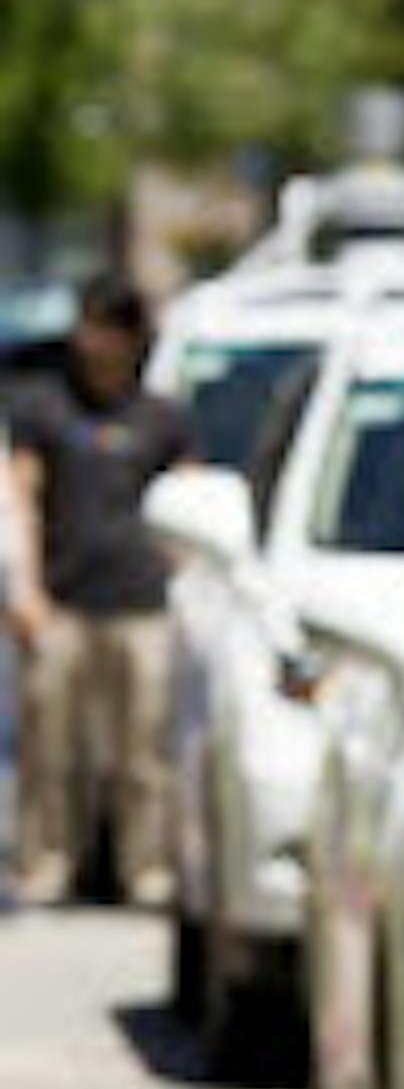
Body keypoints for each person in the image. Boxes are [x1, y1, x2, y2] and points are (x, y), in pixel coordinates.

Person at [7, 274, 195, 907]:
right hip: (62, 600)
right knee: (49, 746)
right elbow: (20, 499)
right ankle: (46, 860)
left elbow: (191, 505)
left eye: (109, 328)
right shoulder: (44, 407)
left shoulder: (162, 417)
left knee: (143, 750)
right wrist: (22, 588)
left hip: (142, 605)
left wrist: (184, 579)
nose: (96, 342)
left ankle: (144, 867)